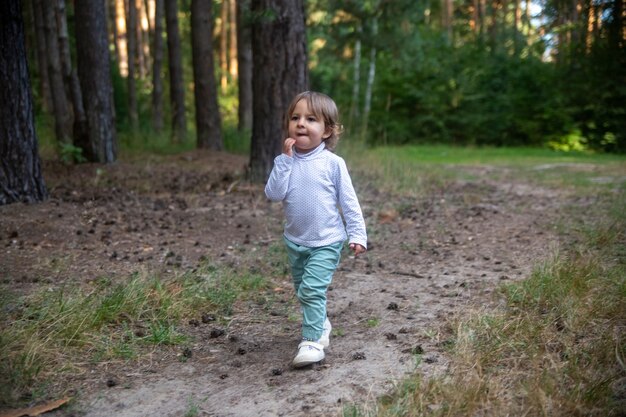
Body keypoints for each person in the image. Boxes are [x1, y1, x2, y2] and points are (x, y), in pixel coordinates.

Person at [265, 91, 367, 367]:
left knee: (311, 289)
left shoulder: (333, 164)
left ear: (327, 130)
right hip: (295, 240)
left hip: (326, 240)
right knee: (303, 290)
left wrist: (357, 234)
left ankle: (312, 341)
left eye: (311, 119)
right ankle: (321, 322)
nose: (300, 124)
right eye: (295, 118)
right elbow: (273, 194)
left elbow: (349, 202)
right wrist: (284, 162)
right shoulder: (285, 161)